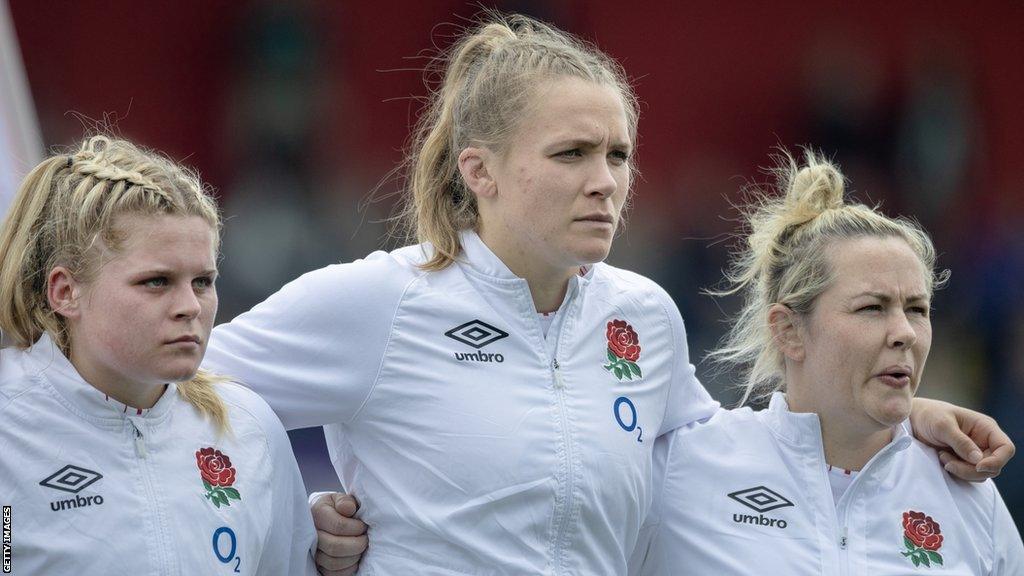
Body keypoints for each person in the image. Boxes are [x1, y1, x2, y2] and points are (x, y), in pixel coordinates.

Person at [202, 13, 1014, 576]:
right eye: (572, 155)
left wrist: (902, 417)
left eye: (618, 156)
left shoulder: (643, 316)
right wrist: (295, 520)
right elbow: (178, 382)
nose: (605, 183)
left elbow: (746, 454)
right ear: (478, 170)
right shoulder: (382, 303)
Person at [628, 152, 1023, 574]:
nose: (904, 332)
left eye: (917, 309)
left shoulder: (971, 499)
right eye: (872, 307)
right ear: (789, 331)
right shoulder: (685, 466)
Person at [0, 135, 319, 575]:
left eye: (203, 281)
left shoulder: (249, 427)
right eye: (156, 281)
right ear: (66, 291)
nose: (190, 306)